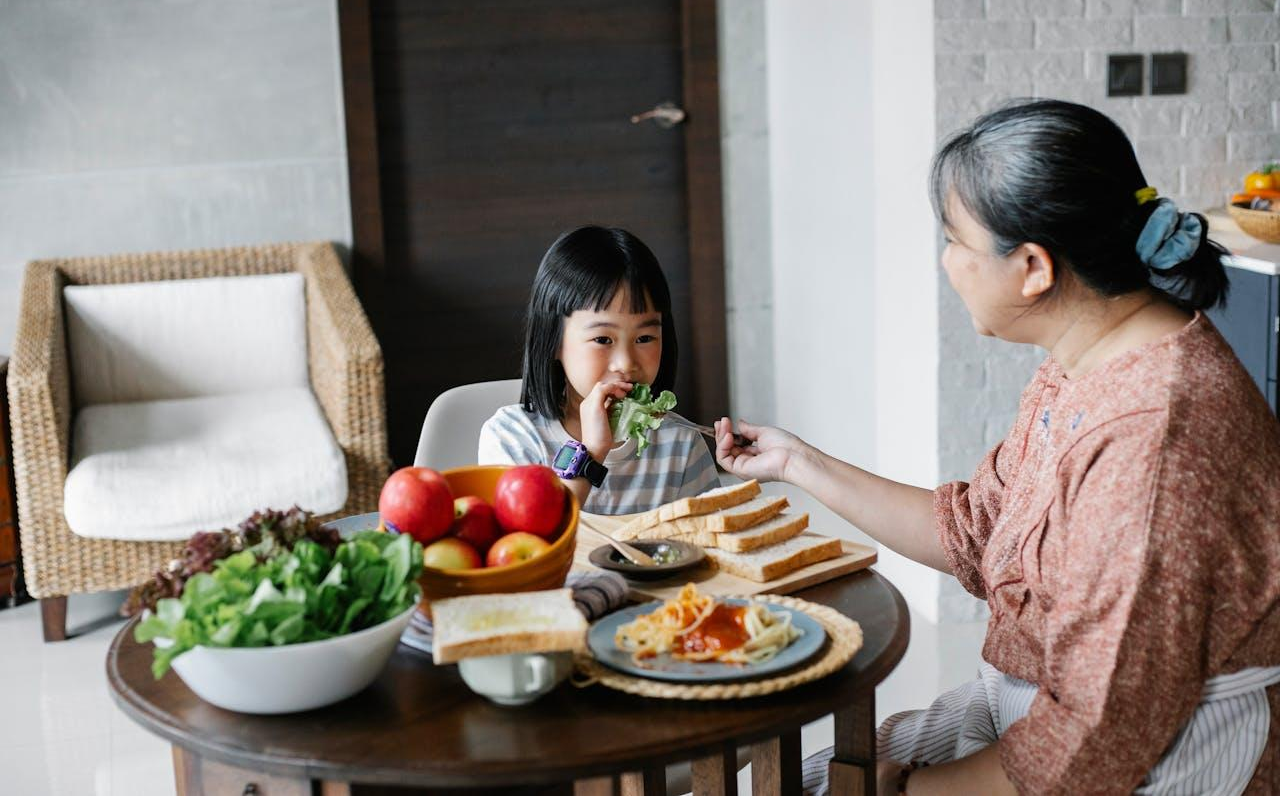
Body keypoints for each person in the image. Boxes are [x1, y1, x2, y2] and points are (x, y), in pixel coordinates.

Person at [716, 99, 1280, 794]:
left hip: (1149, 762)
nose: (947, 262)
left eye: (955, 240)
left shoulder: (1153, 437)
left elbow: (1095, 737)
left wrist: (906, 789)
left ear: (1034, 267)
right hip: (1037, 720)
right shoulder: (1082, 361)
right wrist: (796, 462)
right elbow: (978, 533)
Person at [479, 225, 719, 514]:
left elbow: (712, 547)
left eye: (644, 338)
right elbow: (531, 546)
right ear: (553, 341)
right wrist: (591, 453)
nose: (626, 363)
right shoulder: (512, 437)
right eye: (603, 339)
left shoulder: (681, 445)